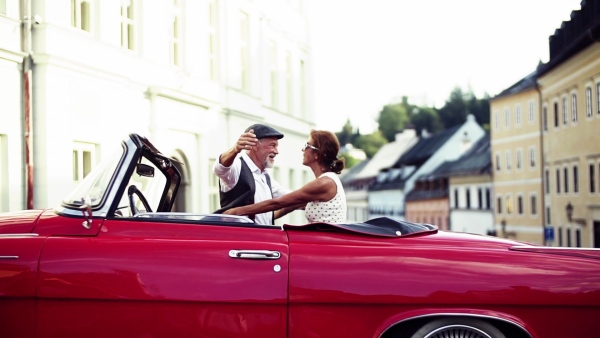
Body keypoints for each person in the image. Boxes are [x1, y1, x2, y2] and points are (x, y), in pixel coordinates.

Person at [224, 129, 347, 224]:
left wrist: (236, 211)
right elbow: (291, 203)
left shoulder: (324, 183)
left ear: (317, 154)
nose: (302, 149)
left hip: (326, 245)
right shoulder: (326, 181)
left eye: (307, 145)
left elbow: (278, 203)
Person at [213, 123, 290, 225]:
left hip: (263, 238)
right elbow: (219, 168)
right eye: (272, 145)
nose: (276, 151)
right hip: (241, 239)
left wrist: (312, 196)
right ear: (255, 145)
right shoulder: (238, 167)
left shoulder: (265, 177)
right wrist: (235, 149)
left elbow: (289, 197)